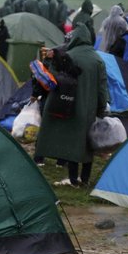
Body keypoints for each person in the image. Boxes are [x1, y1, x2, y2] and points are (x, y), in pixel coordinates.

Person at [35, 26, 109, 188]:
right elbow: (102, 89)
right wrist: (101, 109)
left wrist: (50, 60)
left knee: (72, 144)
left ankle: (73, 179)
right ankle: (85, 179)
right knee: (88, 145)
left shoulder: (67, 56)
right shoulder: (98, 60)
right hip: (90, 109)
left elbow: (52, 79)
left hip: (69, 106)